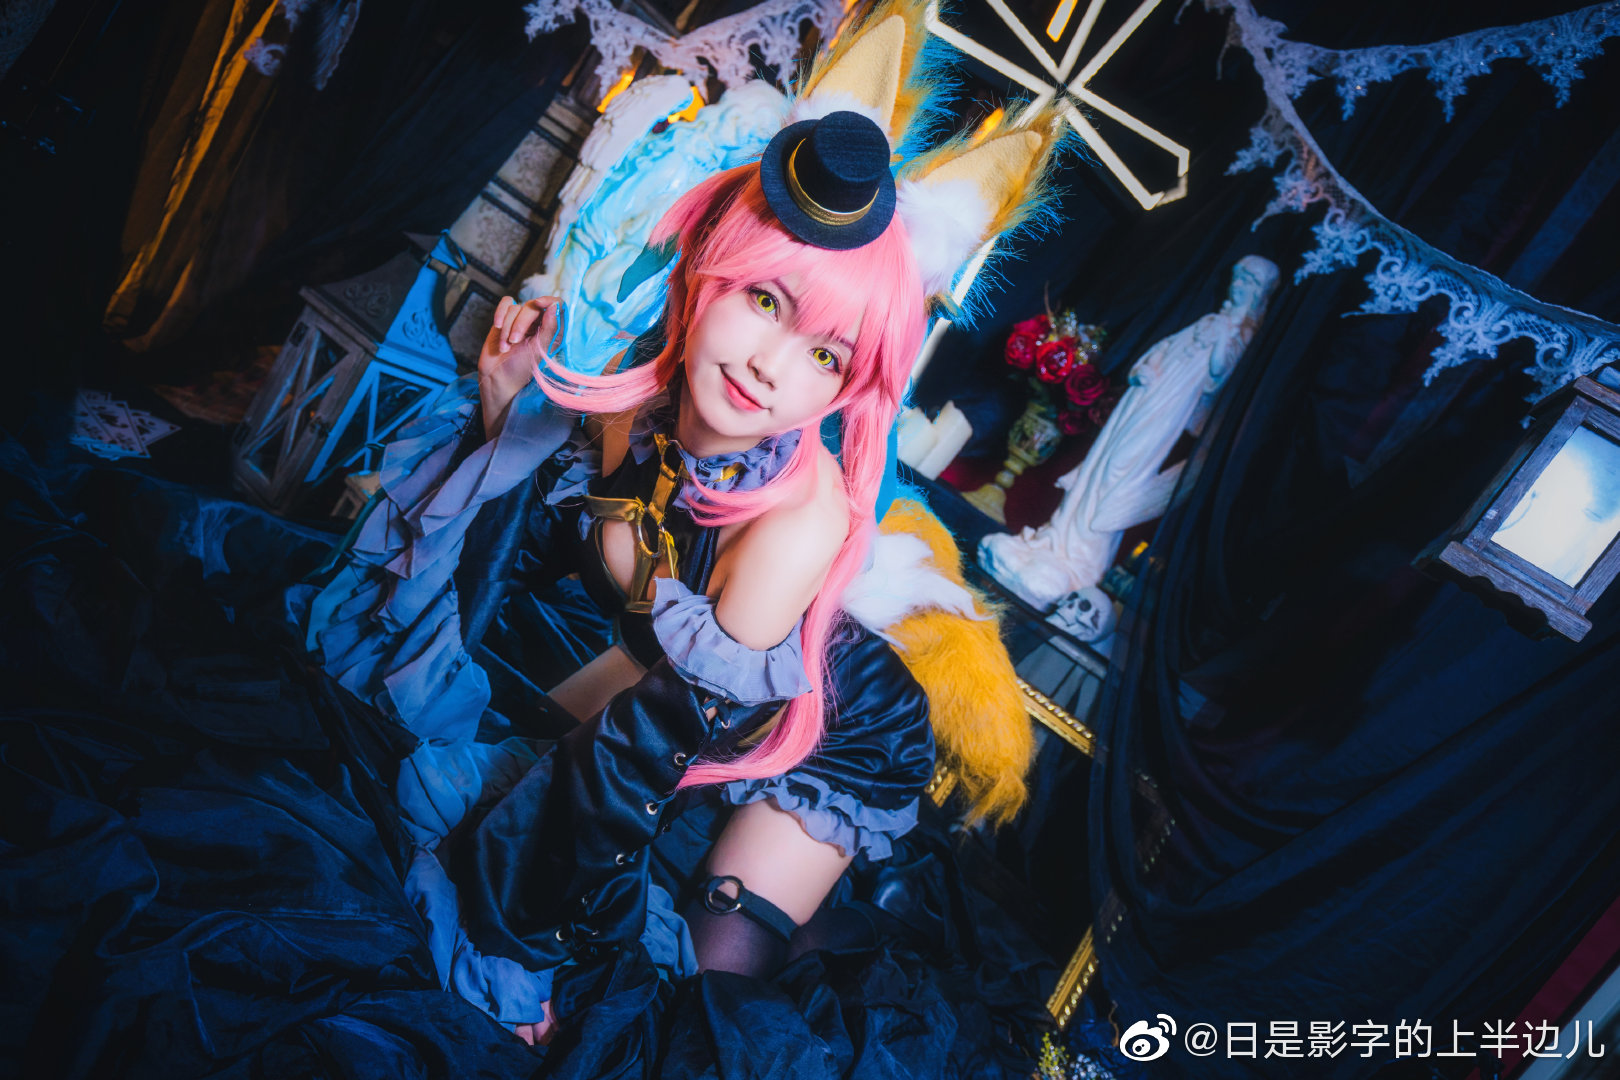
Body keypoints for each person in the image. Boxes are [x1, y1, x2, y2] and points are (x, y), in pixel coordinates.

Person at [291, 0, 1073, 1063]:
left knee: (702, 994)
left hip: (840, 732)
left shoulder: (798, 523)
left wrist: (515, 944)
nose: (770, 368)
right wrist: (503, 413)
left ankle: (814, 910)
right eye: (767, 301)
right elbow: (542, 584)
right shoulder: (636, 396)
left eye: (828, 357)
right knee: (472, 787)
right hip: (671, 670)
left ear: (853, 387)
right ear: (715, 260)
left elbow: (635, 756)